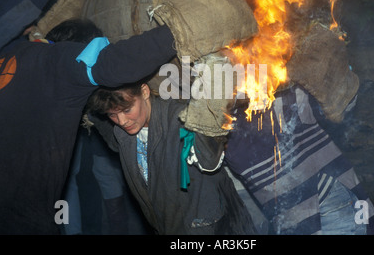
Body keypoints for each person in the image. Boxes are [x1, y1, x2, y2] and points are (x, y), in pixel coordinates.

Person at [86, 81, 257, 235]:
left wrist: (206, 116)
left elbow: (209, 160)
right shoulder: (122, 134)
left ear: (144, 92)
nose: (121, 121)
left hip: (214, 229)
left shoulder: (181, 119)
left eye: (127, 110)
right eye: (112, 115)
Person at [224, 84, 374, 235]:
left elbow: (340, 104)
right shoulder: (217, 84)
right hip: (281, 202)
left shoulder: (279, 63)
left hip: (323, 192)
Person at [45, 19, 149, 235]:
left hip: (90, 138)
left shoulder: (102, 81)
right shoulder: (52, 84)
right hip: (56, 145)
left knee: (101, 178)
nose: (121, 118)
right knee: (65, 185)